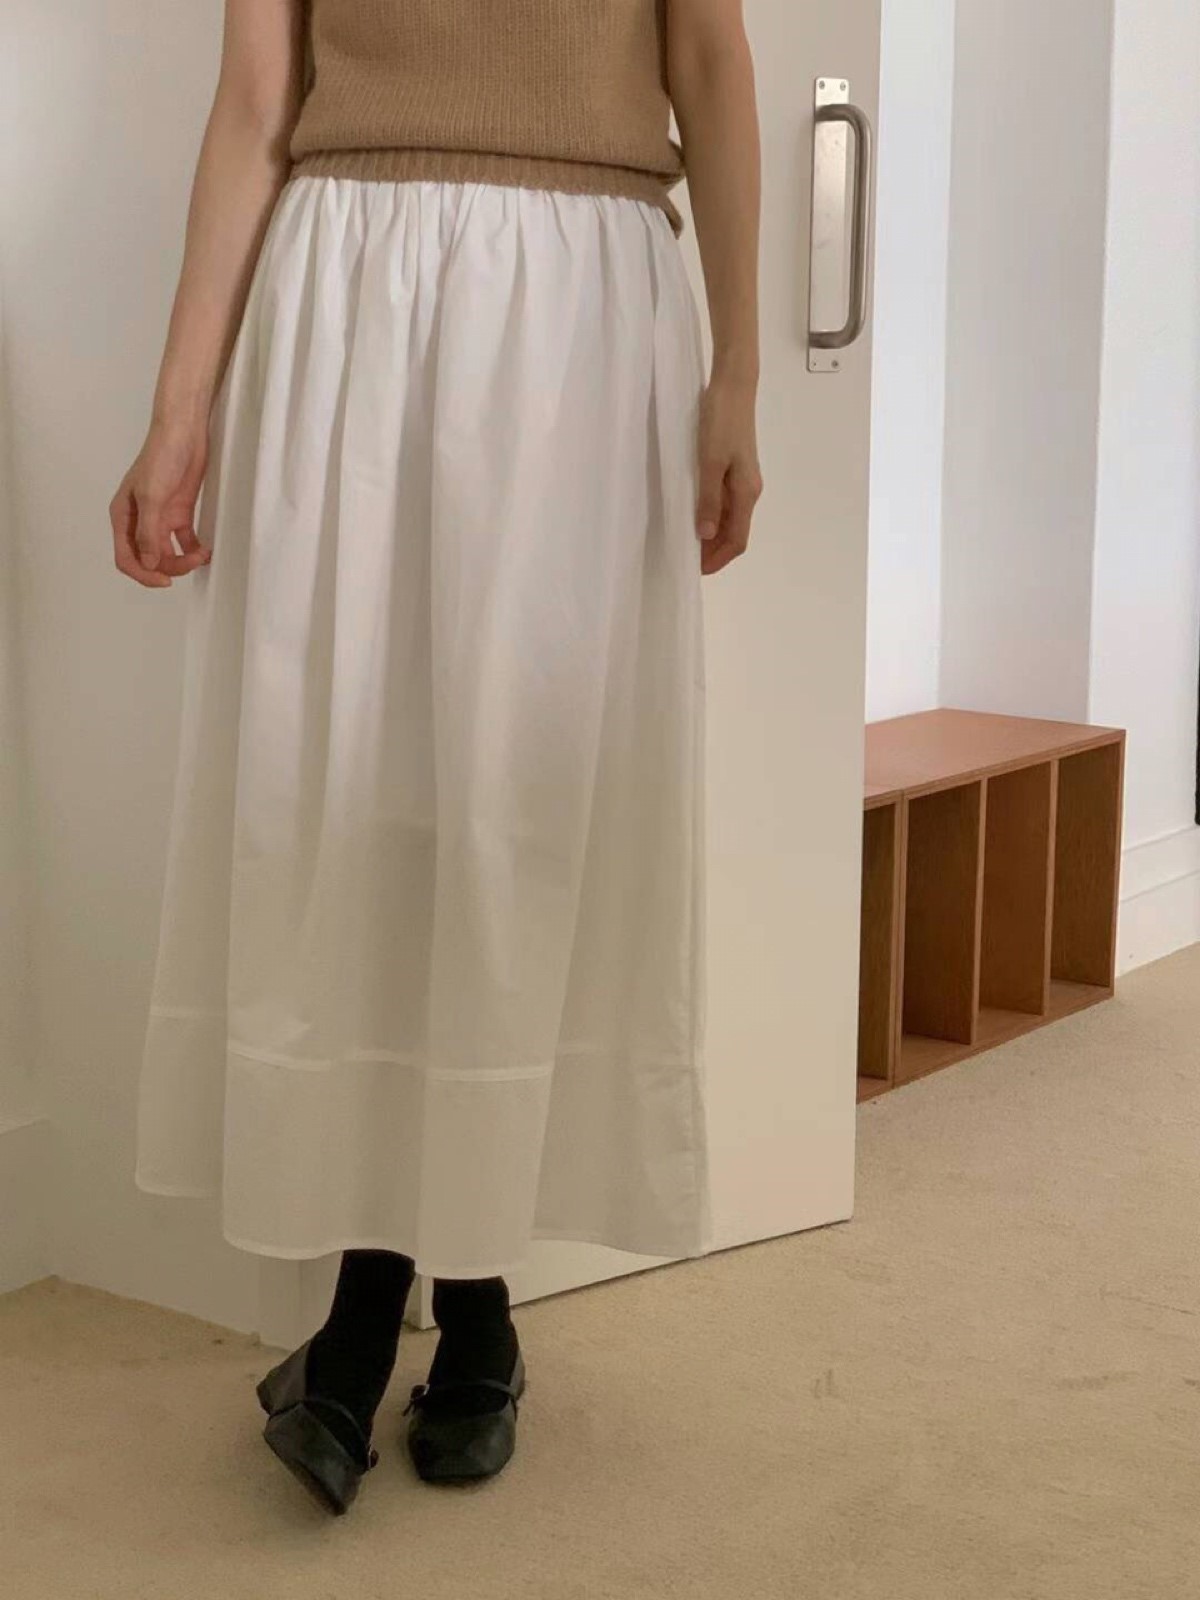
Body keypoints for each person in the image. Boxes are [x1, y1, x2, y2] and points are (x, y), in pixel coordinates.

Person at [111, 0, 762, 1515]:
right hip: (350, 289)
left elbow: (710, 58)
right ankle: (383, 1295)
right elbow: (256, 99)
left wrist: (738, 368)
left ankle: (462, 1299)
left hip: (579, 303)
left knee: (515, 805)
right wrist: (178, 409)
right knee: (354, 796)